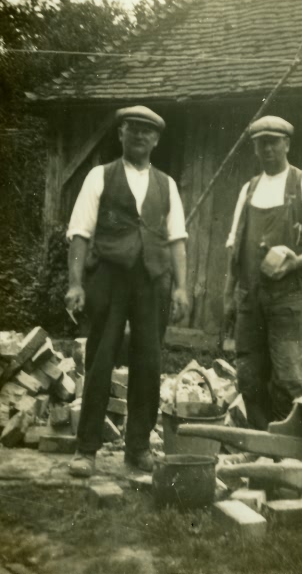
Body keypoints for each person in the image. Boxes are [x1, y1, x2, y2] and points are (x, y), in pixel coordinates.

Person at [65, 105, 189, 476]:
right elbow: (80, 232)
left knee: (149, 364)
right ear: (120, 134)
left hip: (152, 282)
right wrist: (75, 284)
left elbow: (177, 239)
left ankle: (137, 449)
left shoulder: (167, 184)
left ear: (156, 140)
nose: (139, 136)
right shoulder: (99, 177)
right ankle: (86, 450)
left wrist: (182, 287)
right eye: (132, 129)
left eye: (147, 131)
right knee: (101, 359)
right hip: (109, 278)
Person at [224, 115, 302, 430]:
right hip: (250, 299)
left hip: (292, 300)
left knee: (289, 378)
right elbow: (234, 248)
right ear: (255, 148)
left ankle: (286, 453)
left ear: (286, 144)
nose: (267, 149)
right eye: (261, 143)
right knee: (249, 376)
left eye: (273, 142)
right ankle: (261, 444)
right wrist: (228, 297)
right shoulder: (248, 190)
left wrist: (295, 262)